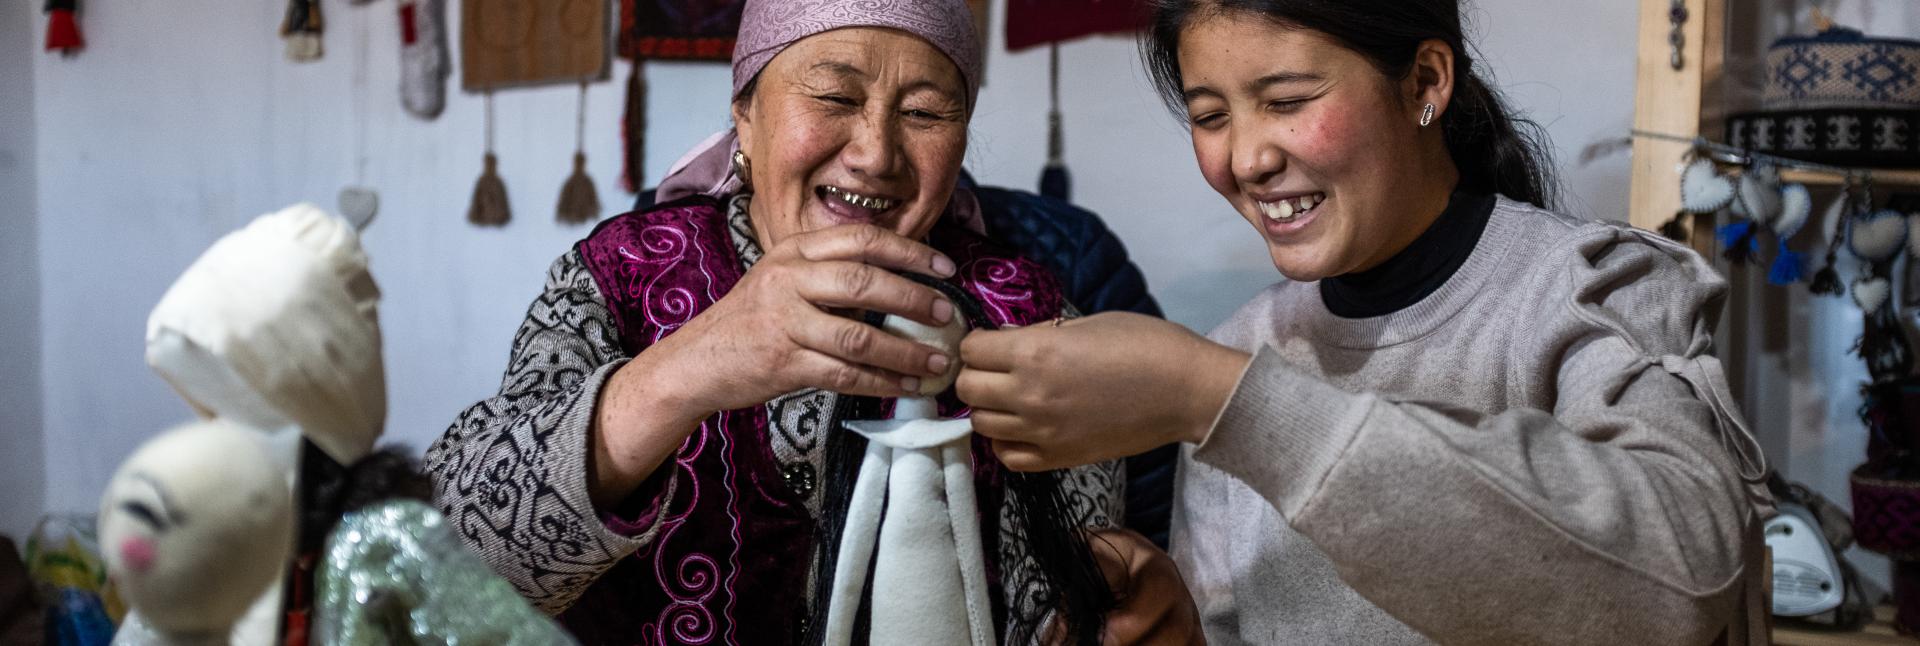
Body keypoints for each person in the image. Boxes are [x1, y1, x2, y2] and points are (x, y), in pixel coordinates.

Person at [955, 0, 1775, 643]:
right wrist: (1181, 625)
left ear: (1424, 82)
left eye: (1286, 100)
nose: (1246, 159)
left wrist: (1225, 401)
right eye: (1211, 116)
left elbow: (1680, 584)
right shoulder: (1244, 346)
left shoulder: (1600, 290)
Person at [423, 0, 1197, 644]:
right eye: (833, 97)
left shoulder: (1024, 310)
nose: (875, 154)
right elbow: (449, 564)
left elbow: (1077, 586)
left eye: (926, 112)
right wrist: (681, 371)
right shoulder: (619, 276)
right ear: (747, 119)